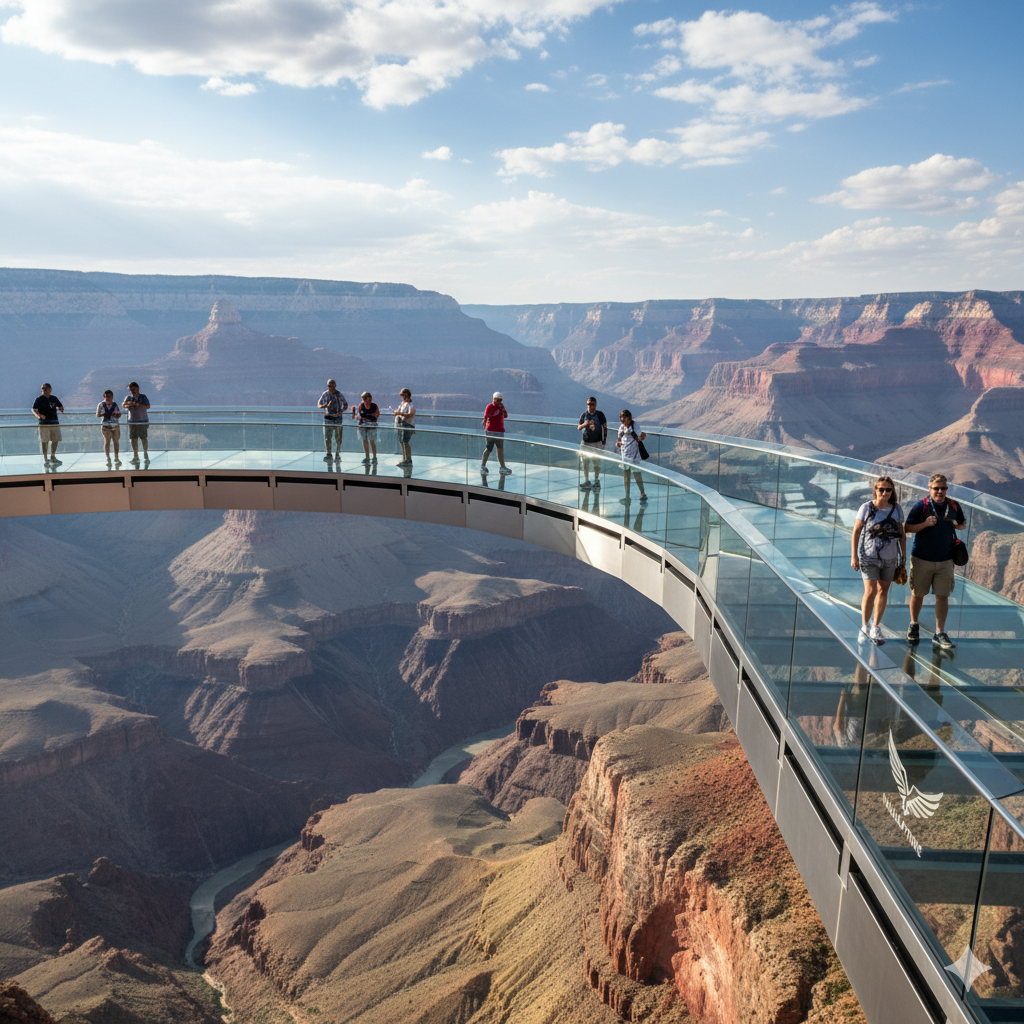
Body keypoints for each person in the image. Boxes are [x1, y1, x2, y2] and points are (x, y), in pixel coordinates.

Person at [904, 473, 967, 650]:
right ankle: (914, 624)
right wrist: (924, 524)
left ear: (947, 489)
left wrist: (960, 526)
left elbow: (962, 523)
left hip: (946, 559)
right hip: (921, 558)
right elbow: (907, 528)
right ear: (930, 489)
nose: (940, 491)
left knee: (942, 596)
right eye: (936, 488)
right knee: (917, 594)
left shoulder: (954, 505)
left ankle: (939, 633)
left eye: (943, 488)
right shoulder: (921, 506)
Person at [851, 475, 906, 645]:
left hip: (890, 558)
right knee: (870, 592)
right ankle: (864, 627)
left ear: (892, 491)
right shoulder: (866, 508)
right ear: (875, 490)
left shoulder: (897, 509)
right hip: (869, 557)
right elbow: (856, 532)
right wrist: (854, 556)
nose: (884, 492)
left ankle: (875, 626)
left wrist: (903, 557)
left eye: (888, 489)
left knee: (883, 592)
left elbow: (902, 535)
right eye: (881, 489)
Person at [615, 409, 648, 505]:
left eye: (626, 418)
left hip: (634, 454)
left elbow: (639, 436)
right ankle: (627, 497)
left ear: (630, 418)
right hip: (624, 454)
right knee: (626, 475)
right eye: (623, 419)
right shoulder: (621, 427)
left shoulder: (635, 425)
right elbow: (618, 440)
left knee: (636, 473)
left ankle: (642, 493)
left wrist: (642, 436)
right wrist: (618, 443)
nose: (625, 421)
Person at [577, 397, 607, 490]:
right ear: (587, 404)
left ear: (596, 404)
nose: (591, 406)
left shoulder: (600, 414)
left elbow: (605, 428)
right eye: (589, 404)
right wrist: (584, 425)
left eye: (592, 404)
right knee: (585, 463)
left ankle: (596, 481)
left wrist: (604, 442)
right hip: (585, 442)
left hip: (597, 442)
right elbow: (579, 427)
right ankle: (587, 481)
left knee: (596, 463)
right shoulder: (584, 415)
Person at [32, 383, 64, 465]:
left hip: (54, 421)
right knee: (44, 440)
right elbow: (34, 409)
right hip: (44, 423)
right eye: (43, 389)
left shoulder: (54, 398)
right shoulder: (39, 399)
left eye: (46, 389)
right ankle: (45, 458)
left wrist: (61, 409)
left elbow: (60, 406)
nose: (45, 391)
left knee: (55, 439)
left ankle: (52, 456)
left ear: (50, 389)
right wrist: (39, 416)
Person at [480, 391, 512, 475]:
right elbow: (486, 417)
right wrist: (495, 413)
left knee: (500, 449)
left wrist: (502, 410)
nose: (499, 402)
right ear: (493, 399)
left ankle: (502, 467)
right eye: (497, 400)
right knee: (489, 449)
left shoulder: (501, 406)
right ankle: (482, 466)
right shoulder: (489, 407)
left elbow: (506, 415)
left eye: (500, 400)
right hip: (490, 432)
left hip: (500, 432)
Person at [318, 379, 348, 461]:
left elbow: (345, 405)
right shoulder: (325, 394)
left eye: (332, 386)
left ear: (335, 385)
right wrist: (326, 405)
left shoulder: (339, 394)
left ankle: (337, 454)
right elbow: (319, 405)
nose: (331, 388)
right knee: (327, 437)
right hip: (328, 418)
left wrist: (341, 411)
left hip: (338, 419)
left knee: (338, 438)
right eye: (329, 386)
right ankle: (329, 454)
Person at [122, 382, 151, 463]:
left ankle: (145, 454)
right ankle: (136, 456)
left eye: (134, 389)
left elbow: (148, 406)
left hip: (142, 421)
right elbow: (124, 405)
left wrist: (138, 404)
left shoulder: (143, 397)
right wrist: (129, 405)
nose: (133, 391)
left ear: (138, 388)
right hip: (132, 421)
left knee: (143, 438)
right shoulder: (128, 398)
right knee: (133, 439)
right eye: (131, 390)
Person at [390, 389, 416, 467]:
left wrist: (400, 413)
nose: (403, 398)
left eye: (404, 396)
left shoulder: (410, 405)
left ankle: (408, 459)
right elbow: (398, 411)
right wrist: (396, 413)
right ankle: (404, 458)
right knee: (401, 442)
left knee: (405, 442)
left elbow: (410, 414)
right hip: (401, 425)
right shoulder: (402, 404)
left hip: (407, 425)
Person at [96, 389, 122, 464]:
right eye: (106, 396)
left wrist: (115, 414)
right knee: (107, 442)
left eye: (109, 396)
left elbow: (119, 414)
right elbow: (97, 414)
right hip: (106, 426)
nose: (108, 398)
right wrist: (104, 414)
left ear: (112, 397)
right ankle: (108, 458)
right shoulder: (101, 405)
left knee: (116, 442)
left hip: (115, 425)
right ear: (104, 396)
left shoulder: (115, 405)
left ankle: (116, 458)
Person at [353, 392, 380, 464]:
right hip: (363, 426)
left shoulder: (374, 406)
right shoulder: (361, 406)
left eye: (369, 400)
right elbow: (360, 416)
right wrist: (368, 417)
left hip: (372, 425)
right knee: (364, 440)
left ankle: (374, 457)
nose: (367, 402)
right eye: (366, 401)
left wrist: (367, 417)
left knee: (372, 440)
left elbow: (376, 415)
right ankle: (367, 457)